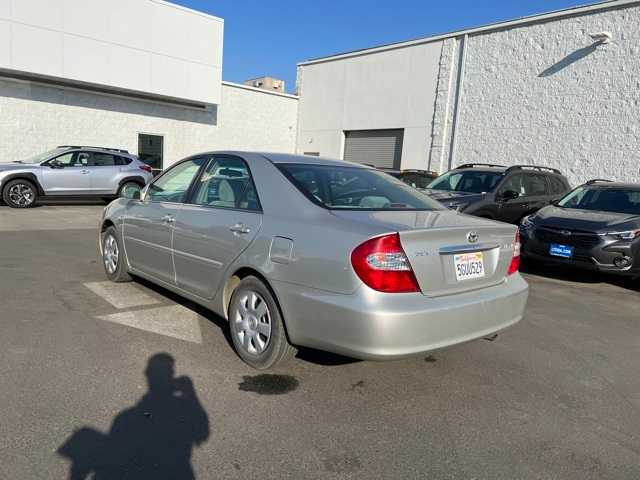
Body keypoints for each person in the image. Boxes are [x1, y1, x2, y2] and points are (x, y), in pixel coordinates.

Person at [58, 353, 210, 480]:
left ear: (147, 374)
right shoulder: (180, 408)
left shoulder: (126, 416)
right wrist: (191, 394)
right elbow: (202, 433)